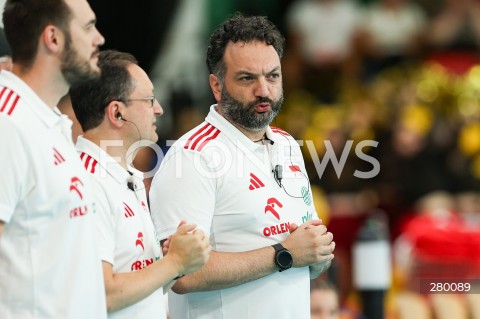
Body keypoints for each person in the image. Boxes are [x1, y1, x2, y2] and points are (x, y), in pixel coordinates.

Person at [149, 13, 335, 319]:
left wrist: (318, 252)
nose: (263, 90)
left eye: (272, 76)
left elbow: (310, 250)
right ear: (217, 86)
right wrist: (285, 254)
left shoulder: (287, 145)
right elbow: (179, 275)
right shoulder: (193, 157)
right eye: (247, 78)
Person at [69, 50, 211, 319]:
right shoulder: (85, 182)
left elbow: (134, 280)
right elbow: (102, 293)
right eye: (149, 99)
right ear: (117, 113)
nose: (159, 109)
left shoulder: (127, 177)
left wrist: (177, 262)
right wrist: (174, 263)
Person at [0, 0, 107, 318]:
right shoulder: (8, 124)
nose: (99, 38)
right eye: (88, 26)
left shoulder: (48, 120)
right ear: (53, 38)